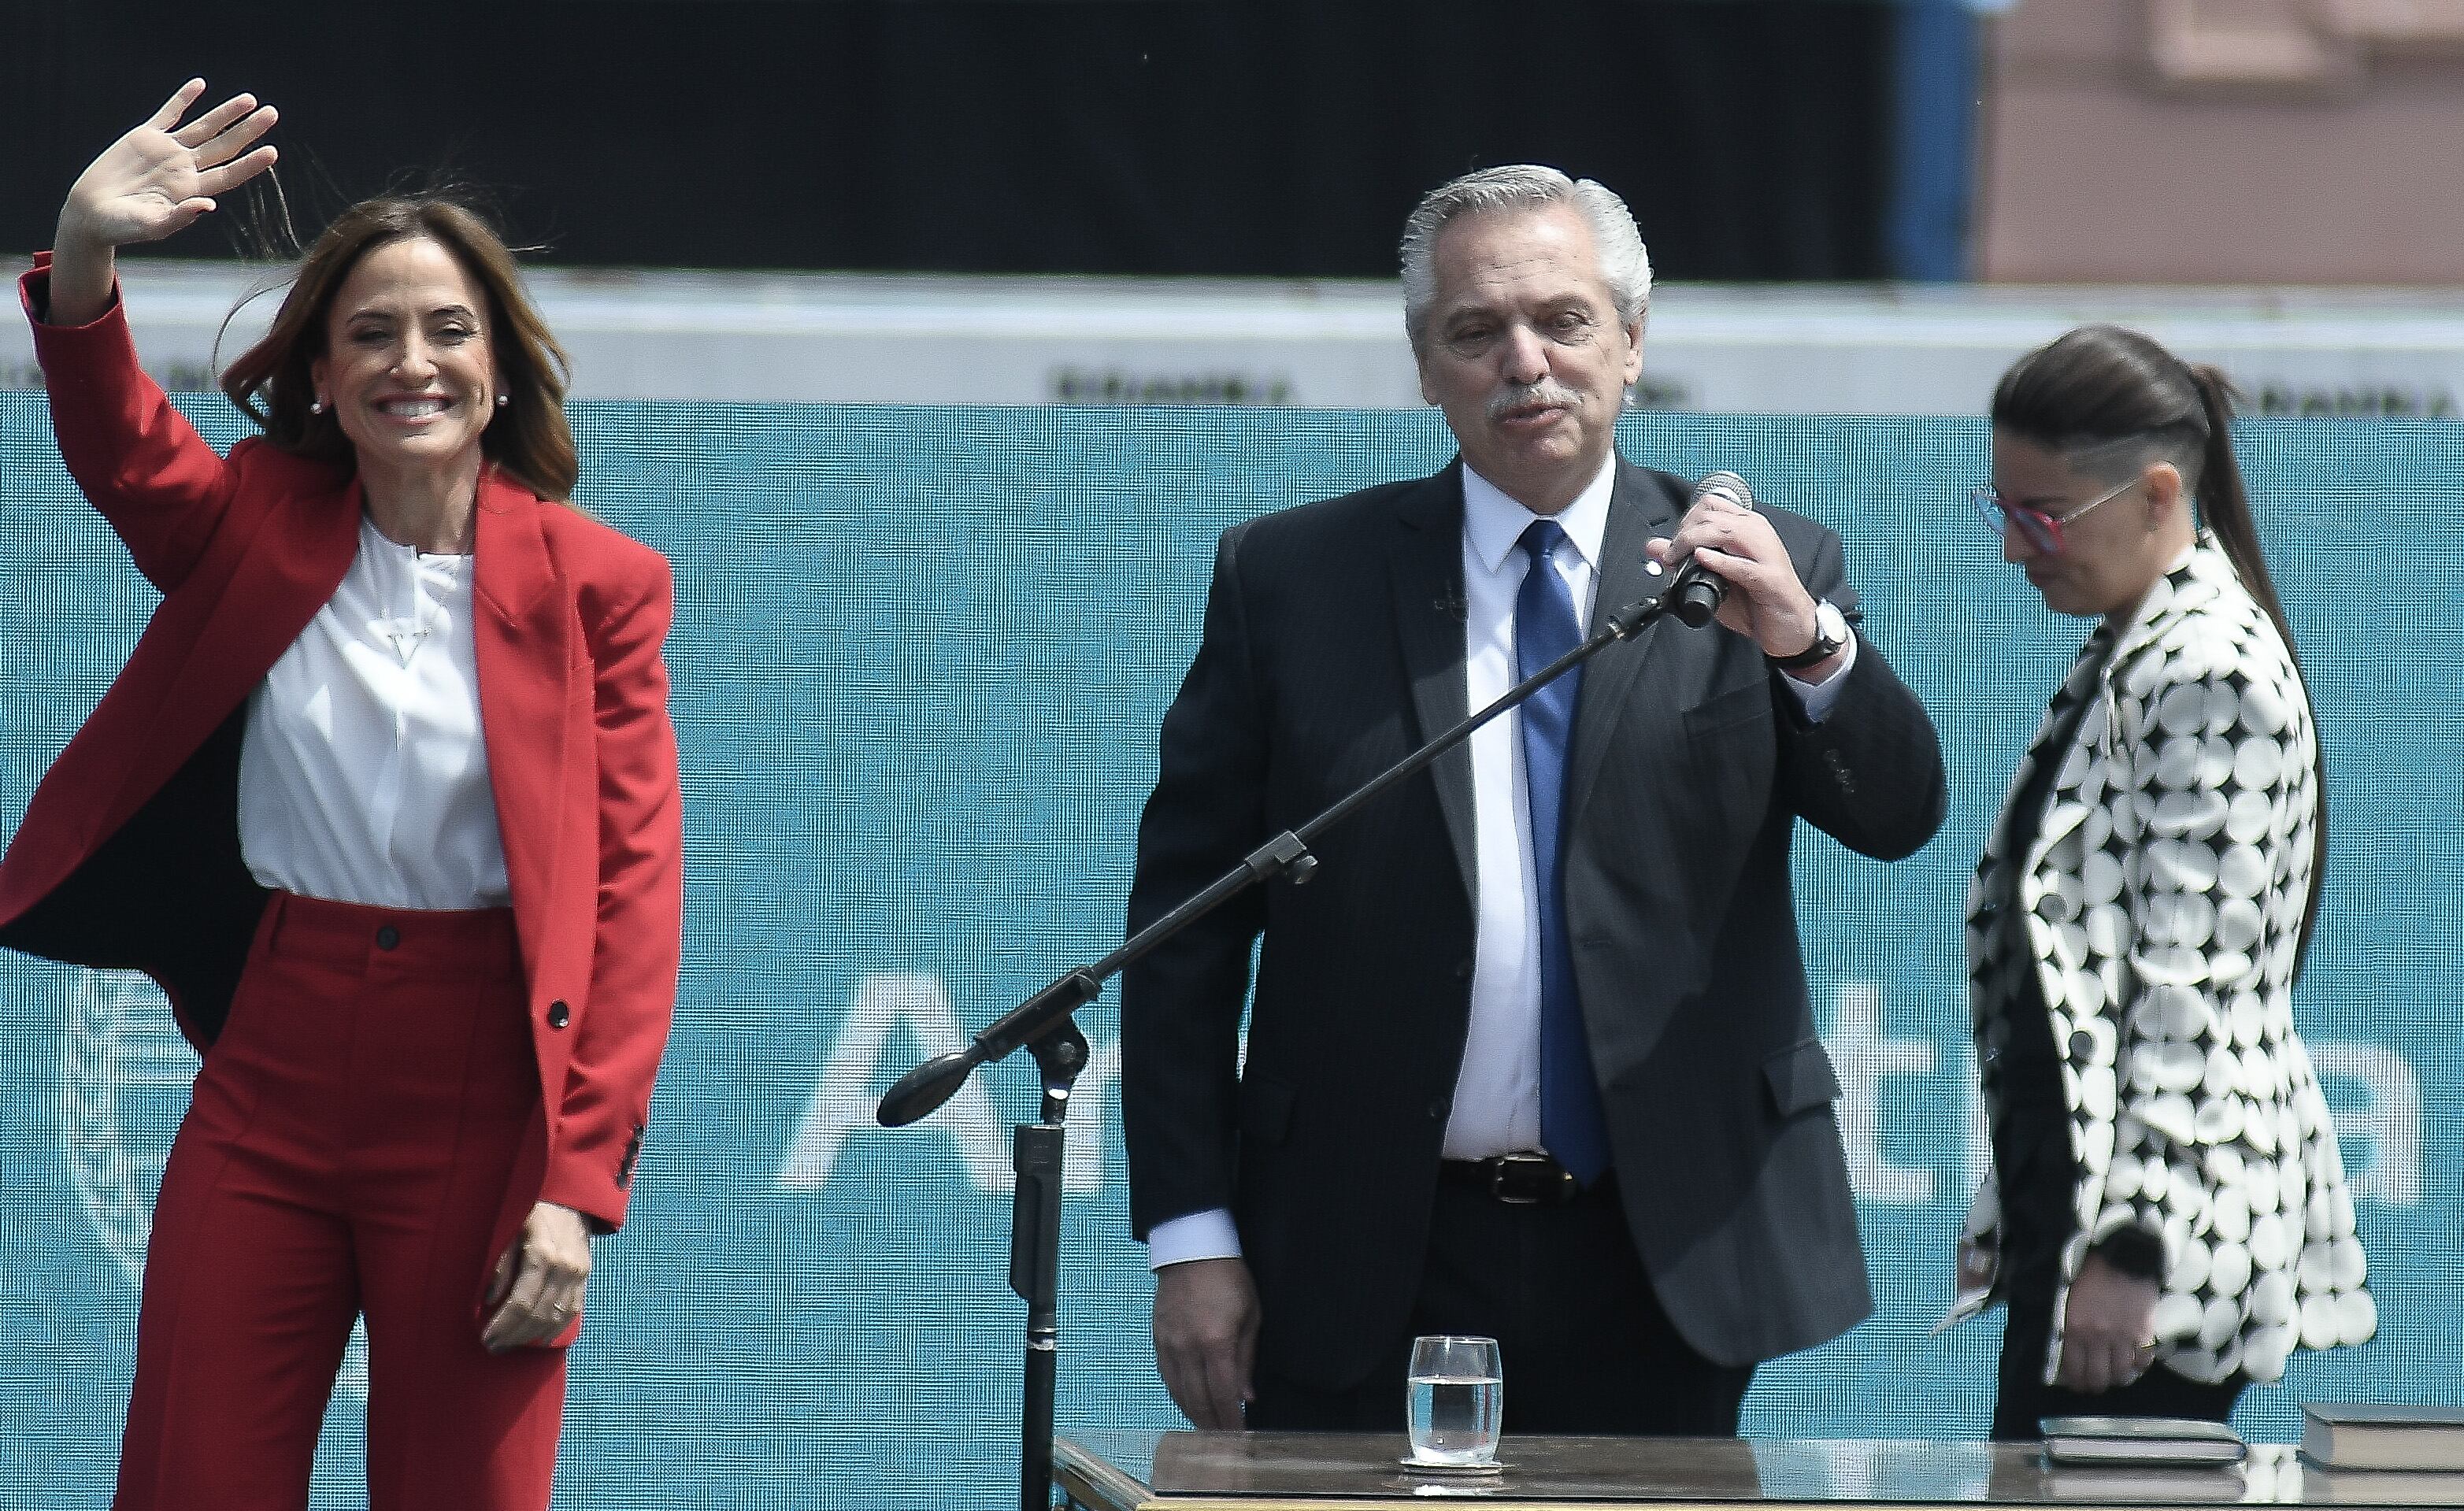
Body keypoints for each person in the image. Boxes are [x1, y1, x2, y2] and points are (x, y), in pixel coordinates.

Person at [1117, 164, 1947, 1436]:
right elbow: (1181, 937)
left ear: (1630, 341)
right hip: (1363, 1246)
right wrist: (1190, 1238)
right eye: (1474, 332)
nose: (1525, 363)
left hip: (1664, 1247)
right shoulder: (1292, 580)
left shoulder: (1765, 565)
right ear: (1423, 364)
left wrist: (1805, 641)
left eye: (1562, 321)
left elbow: (1895, 814)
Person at [0, 82, 684, 1509]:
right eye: (370, 332)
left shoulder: (597, 586)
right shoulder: (257, 518)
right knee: (194, 1481)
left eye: (448, 330)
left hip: (487, 1093)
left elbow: (629, 904)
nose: (410, 361)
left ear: (502, 368)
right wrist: (81, 254)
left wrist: (575, 1193)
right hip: (273, 1078)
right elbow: (126, 449)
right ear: (317, 373)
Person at [1956, 324, 2374, 1439]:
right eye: (1999, 509)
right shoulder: (2139, 646)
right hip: (2101, 1227)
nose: (2012, 547)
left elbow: (2197, 991)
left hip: (2151, 1252)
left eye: (2038, 516)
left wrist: (2136, 1249)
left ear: (2151, 494)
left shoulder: (2206, 667)